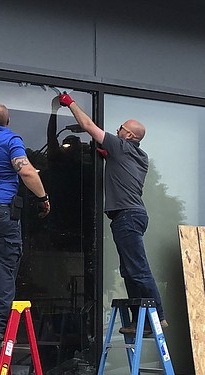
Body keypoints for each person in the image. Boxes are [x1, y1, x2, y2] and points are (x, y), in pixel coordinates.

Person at [57, 91, 163, 333]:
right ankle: (141, 319)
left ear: (130, 135)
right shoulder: (140, 156)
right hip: (132, 215)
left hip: (126, 215)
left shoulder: (121, 146)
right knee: (128, 269)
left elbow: (87, 125)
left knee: (137, 268)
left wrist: (70, 102)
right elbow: (121, 167)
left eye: (121, 128)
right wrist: (108, 157)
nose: (117, 131)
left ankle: (156, 317)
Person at [0, 75, 50, 343]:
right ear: (7, 122)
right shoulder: (11, 139)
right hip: (2, 213)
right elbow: (26, 171)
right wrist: (43, 197)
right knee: (4, 269)